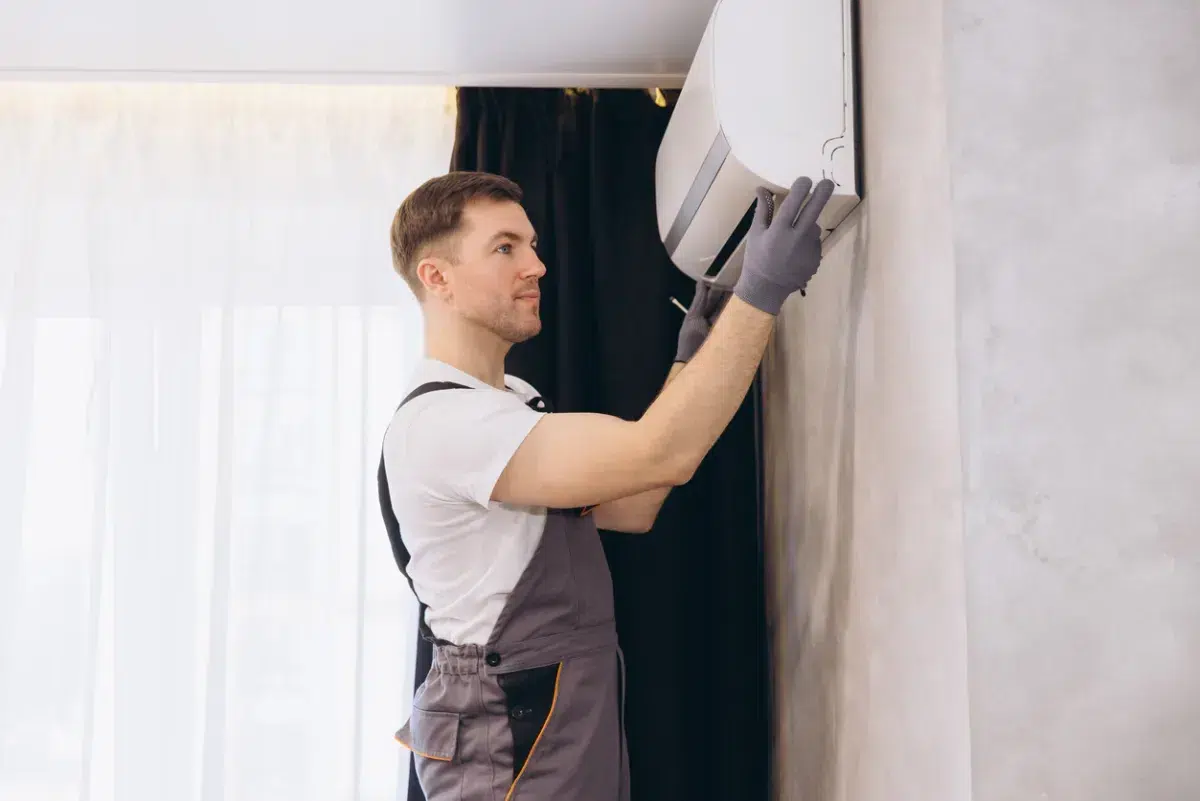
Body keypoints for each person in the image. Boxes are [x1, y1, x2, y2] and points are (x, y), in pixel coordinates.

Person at [377, 170, 834, 801]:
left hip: (557, 701)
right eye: (505, 247)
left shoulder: (511, 402)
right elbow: (662, 454)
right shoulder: (445, 424)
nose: (537, 265)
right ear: (437, 277)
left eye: (532, 245)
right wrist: (760, 292)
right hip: (511, 722)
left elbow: (635, 502)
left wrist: (689, 361)